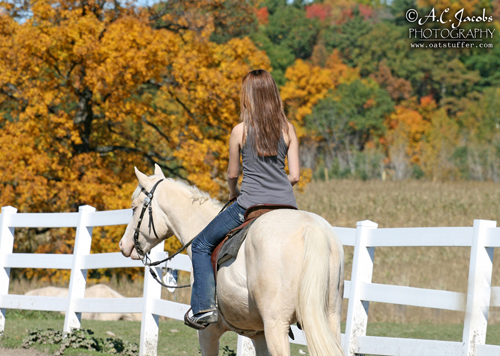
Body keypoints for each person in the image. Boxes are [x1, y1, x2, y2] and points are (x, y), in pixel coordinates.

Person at [185, 69, 300, 330]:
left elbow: (232, 173)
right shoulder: (288, 129)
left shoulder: (240, 131)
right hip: (287, 206)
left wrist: (232, 191)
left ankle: (203, 309)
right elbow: (294, 175)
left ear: (247, 96)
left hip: (250, 205)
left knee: (201, 245)